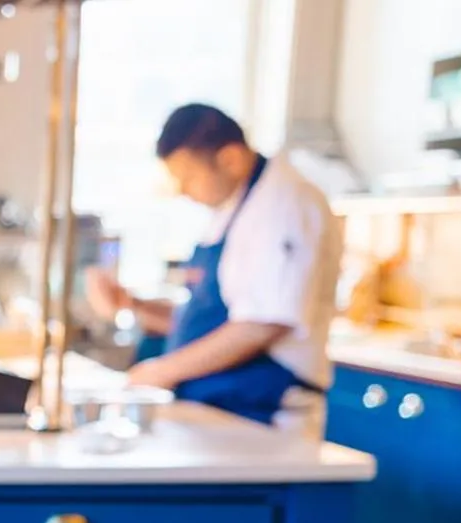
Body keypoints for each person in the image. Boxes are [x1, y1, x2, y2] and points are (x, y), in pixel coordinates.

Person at [85, 103, 341, 440]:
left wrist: (161, 371)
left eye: (188, 177)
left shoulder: (283, 205)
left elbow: (262, 324)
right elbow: (209, 320)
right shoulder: (233, 208)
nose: (182, 191)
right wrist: (134, 305)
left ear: (230, 159)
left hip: (263, 416)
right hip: (220, 410)